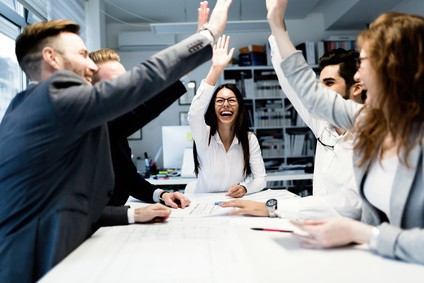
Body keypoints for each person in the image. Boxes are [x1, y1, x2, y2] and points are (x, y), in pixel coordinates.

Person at [0, 0, 232, 281]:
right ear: (52, 57)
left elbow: (72, 205)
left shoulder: (25, 107)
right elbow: (142, 83)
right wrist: (206, 37)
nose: (89, 63)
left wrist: (134, 214)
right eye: (83, 54)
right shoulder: (56, 97)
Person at [265, 0, 423, 265]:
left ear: (393, 67)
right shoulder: (368, 121)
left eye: (363, 62)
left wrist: (362, 233)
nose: (358, 74)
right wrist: (276, 25)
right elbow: (310, 94)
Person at [221, 47, 366, 219]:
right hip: (319, 229)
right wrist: (276, 32)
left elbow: (351, 204)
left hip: (352, 236)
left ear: (356, 88)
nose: (318, 93)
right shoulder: (323, 123)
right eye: (318, 85)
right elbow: (290, 84)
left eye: (329, 83)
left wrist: (272, 208)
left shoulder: (372, 134)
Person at [89, 48, 191, 229]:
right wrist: (132, 214)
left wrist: (161, 194)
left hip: (115, 228)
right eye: (115, 84)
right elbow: (81, 211)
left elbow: (129, 179)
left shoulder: (115, 129)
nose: (124, 91)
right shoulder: (89, 128)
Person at [188, 33, 267, 197]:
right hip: (203, 204)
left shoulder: (249, 138)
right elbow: (195, 113)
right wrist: (215, 69)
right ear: (213, 107)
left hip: (232, 203)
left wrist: (246, 188)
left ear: (239, 107)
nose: (226, 104)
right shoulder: (203, 135)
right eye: (220, 101)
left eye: (231, 100)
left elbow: (261, 179)